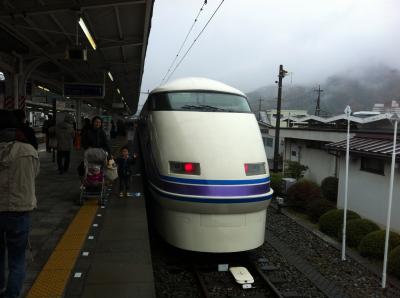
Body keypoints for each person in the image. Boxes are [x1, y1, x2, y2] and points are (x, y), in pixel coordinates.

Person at [0, 110, 40, 298]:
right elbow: (34, 174)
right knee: (17, 259)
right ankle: (12, 294)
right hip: (19, 210)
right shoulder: (28, 150)